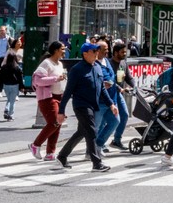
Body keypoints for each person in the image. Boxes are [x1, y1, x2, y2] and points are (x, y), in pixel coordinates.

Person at [55, 41, 117, 172]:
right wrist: (61, 110)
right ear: (85, 53)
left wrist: (111, 104)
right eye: (94, 51)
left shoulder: (97, 67)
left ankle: (62, 156)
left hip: (93, 105)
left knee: (81, 132)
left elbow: (102, 90)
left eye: (97, 51)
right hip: (81, 105)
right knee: (91, 131)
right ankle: (96, 163)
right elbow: (68, 91)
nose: (96, 53)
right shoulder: (77, 70)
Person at [30, 42, 67, 161]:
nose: (64, 51)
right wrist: (56, 79)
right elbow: (38, 80)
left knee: (58, 123)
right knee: (54, 122)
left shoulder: (60, 63)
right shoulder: (46, 63)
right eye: (62, 49)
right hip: (47, 98)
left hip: (59, 96)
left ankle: (50, 152)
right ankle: (35, 145)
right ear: (56, 50)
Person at [99, 41, 133, 152]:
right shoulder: (108, 63)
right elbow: (110, 80)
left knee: (124, 115)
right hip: (109, 94)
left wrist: (135, 86)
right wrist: (120, 88)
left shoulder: (124, 63)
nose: (124, 54)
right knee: (104, 120)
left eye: (125, 51)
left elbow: (128, 77)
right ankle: (101, 143)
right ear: (115, 52)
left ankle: (116, 140)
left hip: (118, 93)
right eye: (122, 52)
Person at [0, 48, 23, 121]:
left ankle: (7, 109)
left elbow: (0, 78)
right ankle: (10, 115)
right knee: (12, 101)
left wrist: (0, 88)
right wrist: (21, 87)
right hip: (14, 85)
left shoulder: (3, 67)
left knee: (9, 99)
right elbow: (20, 78)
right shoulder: (17, 67)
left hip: (6, 85)